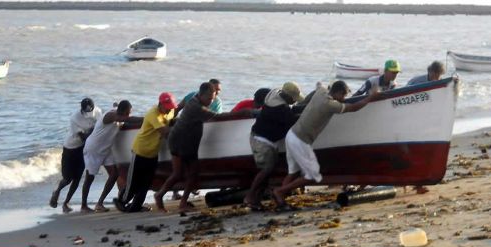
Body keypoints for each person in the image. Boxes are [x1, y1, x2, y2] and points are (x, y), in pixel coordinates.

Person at [272, 81, 378, 210]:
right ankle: (279, 192)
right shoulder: (329, 104)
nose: (343, 99)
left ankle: (280, 201)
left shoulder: (321, 92)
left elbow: (319, 85)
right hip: (300, 140)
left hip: (292, 135)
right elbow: (353, 107)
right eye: (343, 96)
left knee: (293, 172)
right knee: (312, 175)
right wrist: (371, 97)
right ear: (338, 93)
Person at [154, 82, 251, 212]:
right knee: (192, 174)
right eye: (209, 99)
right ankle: (177, 201)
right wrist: (242, 113)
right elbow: (217, 117)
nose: (211, 102)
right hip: (183, 142)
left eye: (213, 99)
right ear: (201, 95)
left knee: (179, 173)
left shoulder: (194, 101)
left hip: (177, 139)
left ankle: (161, 195)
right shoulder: (196, 107)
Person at [113, 92, 177, 213]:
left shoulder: (171, 111)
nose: (169, 111)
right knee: (133, 182)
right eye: (167, 108)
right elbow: (164, 132)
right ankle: (121, 201)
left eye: (171, 108)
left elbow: (175, 112)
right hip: (140, 152)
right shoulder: (153, 114)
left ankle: (136, 206)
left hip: (153, 153)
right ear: (160, 104)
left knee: (146, 183)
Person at [244, 82, 303, 210]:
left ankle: (255, 200)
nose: (294, 101)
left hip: (262, 137)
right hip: (262, 141)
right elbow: (293, 123)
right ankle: (250, 196)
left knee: (267, 172)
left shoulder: (273, 95)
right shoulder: (280, 110)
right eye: (293, 99)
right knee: (266, 169)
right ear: (287, 97)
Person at [80, 100, 143, 213]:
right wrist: (147, 119)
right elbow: (127, 119)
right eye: (128, 113)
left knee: (114, 174)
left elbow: (125, 119)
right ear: (122, 112)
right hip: (93, 149)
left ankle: (99, 203)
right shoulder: (110, 116)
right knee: (90, 178)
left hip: (106, 149)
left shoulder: (119, 114)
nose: (129, 115)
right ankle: (83, 205)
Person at [50, 98, 102, 213]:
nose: (88, 114)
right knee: (68, 179)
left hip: (83, 149)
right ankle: (57, 191)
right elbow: (83, 137)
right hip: (71, 148)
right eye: (86, 111)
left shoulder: (98, 112)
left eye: (90, 110)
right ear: (81, 109)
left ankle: (66, 203)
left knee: (77, 179)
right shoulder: (75, 118)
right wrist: (94, 130)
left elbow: (100, 127)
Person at [405, 61, 445, 194]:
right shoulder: (416, 82)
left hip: (426, 123)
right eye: (437, 75)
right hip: (412, 123)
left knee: (425, 153)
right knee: (415, 153)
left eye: (440, 75)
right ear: (431, 72)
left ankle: (418, 184)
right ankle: (414, 184)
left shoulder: (439, 83)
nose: (438, 78)